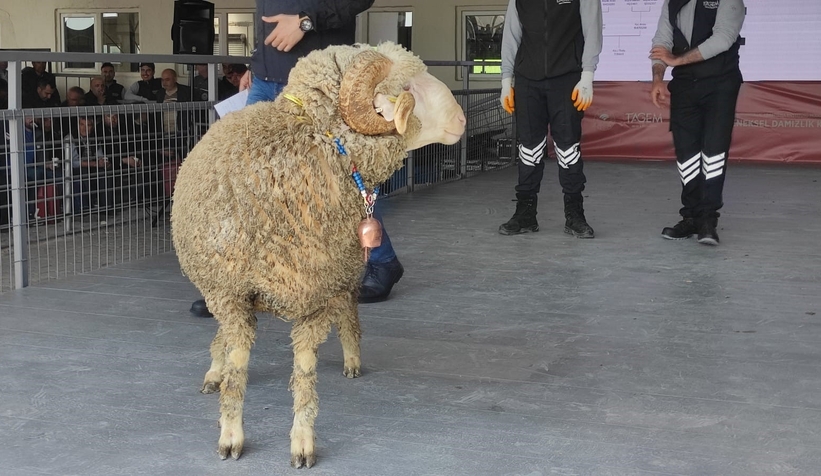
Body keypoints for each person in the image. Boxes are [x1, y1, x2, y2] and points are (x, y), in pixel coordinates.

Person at [190, 0, 402, 318]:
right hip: (264, 79)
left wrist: (305, 22)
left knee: (346, 179)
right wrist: (257, 62)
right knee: (244, 184)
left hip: (318, 82)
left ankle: (382, 262)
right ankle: (238, 282)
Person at [497, 0, 602, 239]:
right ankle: (525, 214)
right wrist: (506, 81)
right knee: (529, 148)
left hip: (567, 79)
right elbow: (511, 36)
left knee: (568, 148)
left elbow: (592, 31)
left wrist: (587, 76)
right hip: (527, 81)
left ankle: (575, 215)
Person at [650, 0, 745, 246]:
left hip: (720, 84)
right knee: (687, 154)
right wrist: (658, 77)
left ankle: (707, 220)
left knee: (713, 152)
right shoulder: (672, 2)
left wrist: (676, 61)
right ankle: (691, 217)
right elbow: (661, 41)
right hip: (684, 86)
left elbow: (724, 38)